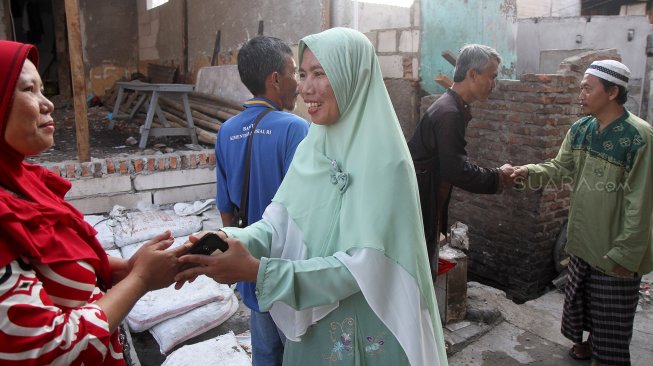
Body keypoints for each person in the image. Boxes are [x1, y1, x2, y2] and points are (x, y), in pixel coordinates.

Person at [177, 27, 448, 365]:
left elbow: (362, 268)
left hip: (371, 330)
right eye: (302, 74)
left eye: (320, 73)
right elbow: (278, 226)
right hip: (313, 332)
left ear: (353, 76)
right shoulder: (311, 147)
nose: (305, 87)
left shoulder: (386, 163)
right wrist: (226, 238)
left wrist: (259, 272)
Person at [0, 40, 185, 365]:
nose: (48, 104)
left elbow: (60, 261)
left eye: (43, 89)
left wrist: (126, 269)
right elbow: (48, 347)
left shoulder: (22, 181)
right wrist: (139, 281)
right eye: (29, 89)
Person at [510, 60, 653, 366]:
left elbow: (640, 203)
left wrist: (626, 253)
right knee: (585, 302)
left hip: (614, 245)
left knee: (611, 312)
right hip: (583, 236)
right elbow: (560, 167)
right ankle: (590, 343)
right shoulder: (581, 129)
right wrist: (528, 171)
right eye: (581, 88)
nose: (581, 94)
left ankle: (605, 354)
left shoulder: (639, 137)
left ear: (613, 92)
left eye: (588, 88)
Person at [215, 35, 309, 366]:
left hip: (248, 264)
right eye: (295, 73)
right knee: (298, 350)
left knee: (265, 353)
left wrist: (236, 258)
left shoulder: (226, 131)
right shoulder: (296, 129)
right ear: (275, 79)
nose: (299, 83)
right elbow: (308, 207)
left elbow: (225, 207)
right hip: (287, 268)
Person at [407, 44, 512, 272]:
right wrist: (497, 178)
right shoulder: (449, 113)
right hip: (422, 202)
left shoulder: (452, 106)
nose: (494, 84)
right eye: (492, 76)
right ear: (472, 74)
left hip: (428, 198)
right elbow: (457, 170)